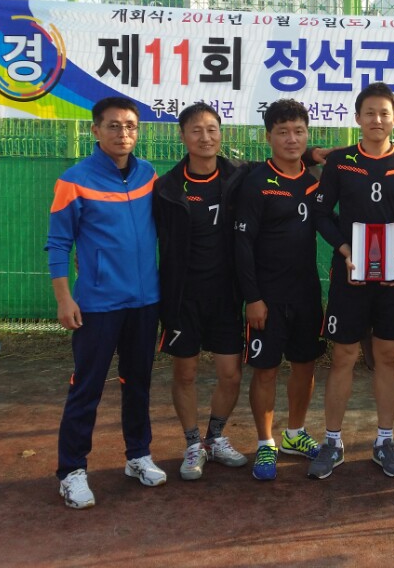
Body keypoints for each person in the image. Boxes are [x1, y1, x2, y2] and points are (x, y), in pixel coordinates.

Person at [47, 96, 166, 509]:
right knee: (87, 387)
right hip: (97, 304)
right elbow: (58, 243)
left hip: (145, 302)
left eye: (130, 126)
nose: (123, 133)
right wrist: (64, 298)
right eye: (113, 126)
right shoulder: (74, 180)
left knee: (138, 382)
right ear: (95, 130)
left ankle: (138, 455)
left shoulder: (148, 174)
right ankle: (72, 471)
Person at [308, 82, 394, 479]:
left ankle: (384, 441)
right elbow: (321, 214)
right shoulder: (341, 161)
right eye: (370, 113)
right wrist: (346, 251)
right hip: (350, 274)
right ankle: (332, 441)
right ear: (358, 118)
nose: (377, 119)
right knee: (344, 355)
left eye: (384, 113)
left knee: (387, 357)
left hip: (393, 276)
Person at [153, 102, 250, 481]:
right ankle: (193, 443)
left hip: (226, 297)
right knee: (186, 373)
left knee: (231, 374)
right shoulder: (166, 188)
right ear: (183, 136)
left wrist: (311, 155)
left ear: (221, 133)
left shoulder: (239, 176)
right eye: (196, 130)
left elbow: (283, 165)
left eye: (212, 129)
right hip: (183, 298)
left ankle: (215, 438)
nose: (205, 137)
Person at [233, 99, 326, 481]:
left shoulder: (315, 179)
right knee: (266, 370)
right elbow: (242, 245)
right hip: (267, 297)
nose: (291, 139)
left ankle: (295, 433)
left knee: (305, 365)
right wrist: (253, 298)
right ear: (268, 136)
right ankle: (266, 442)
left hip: (307, 294)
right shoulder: (256, 182)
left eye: (299, 131)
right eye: (283, 132)